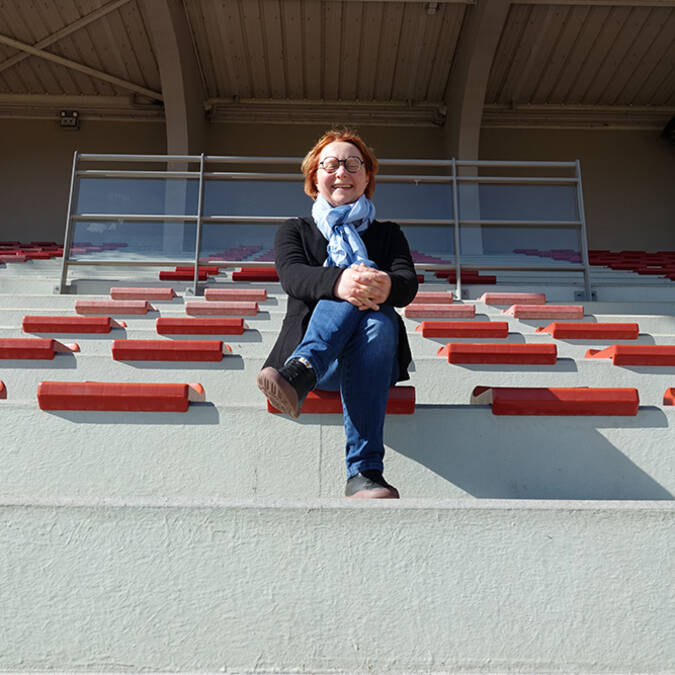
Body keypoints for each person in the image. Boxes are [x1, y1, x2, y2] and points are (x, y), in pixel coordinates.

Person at [257, 128, 418, 498]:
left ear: (367, 177)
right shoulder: (294, 230)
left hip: (371, 360)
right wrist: (342, 282)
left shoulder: (389, 234)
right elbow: (294, 278)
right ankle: (366, 472)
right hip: (325, 363)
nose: (341, 171)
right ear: (315, 177)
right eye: (330, 164)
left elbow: (407, 284)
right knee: (353, 284)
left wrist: (385, 286)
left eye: (352, 164)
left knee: (378, 320)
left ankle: (299, 374)